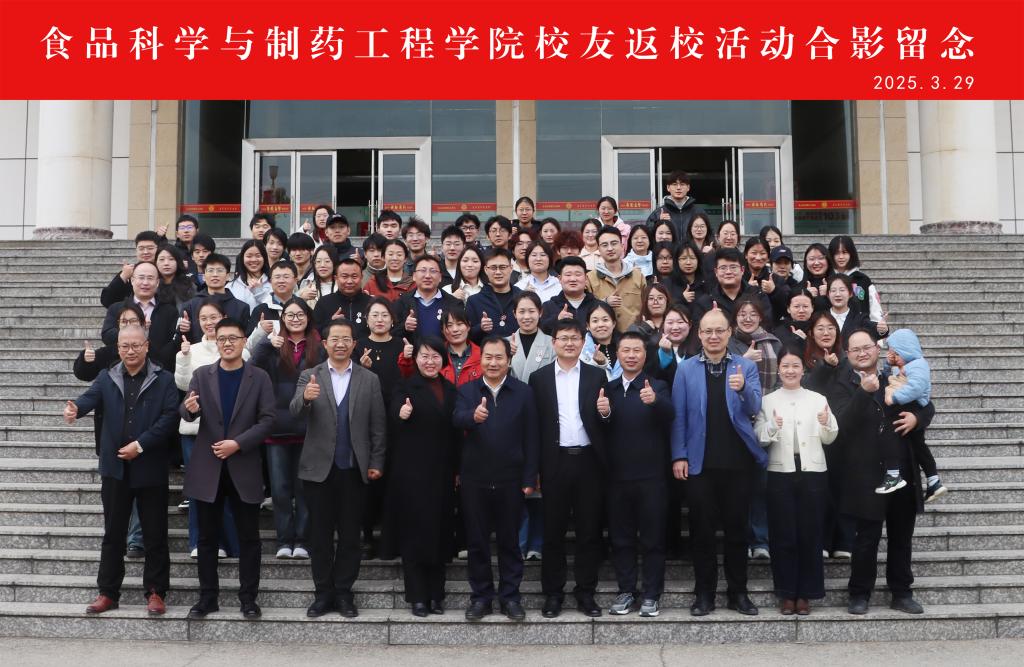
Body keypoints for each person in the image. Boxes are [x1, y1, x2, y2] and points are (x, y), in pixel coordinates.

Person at [65, 324, 178, 616]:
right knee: (113, 534)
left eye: (136, 345)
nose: (130, 350)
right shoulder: (107, 376)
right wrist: (76, 409)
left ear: (147, 346)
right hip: (115, 467)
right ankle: (108, 592)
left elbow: (169, 418)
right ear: (118, 348)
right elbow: (89, 398)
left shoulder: (163, 379)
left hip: (150, 466)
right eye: (125, 346)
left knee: (155, 534)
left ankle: (156, 592)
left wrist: (140, 446)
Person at [670, 309, 766, 617]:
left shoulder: (745, 366)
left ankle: (739, 593)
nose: (713, 336)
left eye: (719, 330)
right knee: (702, 532)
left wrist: (743, 389)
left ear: (729, 333)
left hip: (738, 463)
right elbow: (678, 415)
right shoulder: (686, 369)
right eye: (707, 331)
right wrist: (679, 455)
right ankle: (704, 594)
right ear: (699, 334)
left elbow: (755, 408)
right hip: (700, 464)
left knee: (737, 532)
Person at [289, 319, 386, 619]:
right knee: (319, 536)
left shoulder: (369, 379)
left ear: (354, 344)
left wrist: (376, 462)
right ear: (325, 343)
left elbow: (378, 426)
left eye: (346, 339)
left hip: (354, 469)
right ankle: (323, 593)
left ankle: (344, 592)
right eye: (335, 339)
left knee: (350, 536)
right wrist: (305, 399)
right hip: (318, 470)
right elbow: (293, 412)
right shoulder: (310, 375)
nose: (340, 344)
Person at [180, 317, 276, 619]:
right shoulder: (202, 374)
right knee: (207, 538)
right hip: (208, 467)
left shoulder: (259, 377)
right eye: (222, 338)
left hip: (243, 465)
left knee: (249, 538)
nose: (227, 343)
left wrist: (238, 443)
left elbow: (268, 420)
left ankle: (248, 599)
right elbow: (186, 409)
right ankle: (207, 598)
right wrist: (190, 409)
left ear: (244, 341)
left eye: (233, 338)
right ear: (215, 341)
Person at [838, 330, 935, 616]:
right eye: (855, 349)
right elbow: (840, 425)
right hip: (866, 473)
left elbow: (926, 402)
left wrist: (918, 418)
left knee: (901, 535)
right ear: (847, 354)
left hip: (902, 469)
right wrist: (862, 392)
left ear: (877, 348)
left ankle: (901, 591)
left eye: (866, 347)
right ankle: (859, 593)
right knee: (866, 537)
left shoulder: (895, 375)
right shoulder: (842, 383)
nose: (862, 353)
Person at [454, 336, 539, 621]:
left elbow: (532, 437)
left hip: (511, 479)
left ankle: (510, 597)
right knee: (477, 543)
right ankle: (481, 598)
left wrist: (529, 477)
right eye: (488, 357)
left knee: (509, 542)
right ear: (480, 360)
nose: (493, 363)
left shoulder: (523, 392)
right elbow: (455, 419)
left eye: (499, 357)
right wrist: (472, 417)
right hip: (474, 479)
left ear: (508, 360)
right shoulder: (467, 390)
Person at [527, 319, 608, 619]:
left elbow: (606, 421)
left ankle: (586, 592)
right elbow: (534, 427)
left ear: (583, 341)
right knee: (553, 531)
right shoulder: (539, 379)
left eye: (575, 338)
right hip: (554, 461)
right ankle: (553, 594)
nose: (569, 343)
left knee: (589, 531)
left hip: (589, 461)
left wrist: (606, 413)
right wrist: (534, 468)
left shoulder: (596, 375)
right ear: (554, 343)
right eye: (563, 338)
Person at [754, 348, 838, 615]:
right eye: (785, 366)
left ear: (803, 369)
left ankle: (807, 593)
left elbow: (830, 437)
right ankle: (786, 593)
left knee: (810, 533)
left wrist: (826, 422)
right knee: (783, 534)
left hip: (813, 471)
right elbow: (759, 436)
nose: (790, 370)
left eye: (795, 366)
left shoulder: (817, 398)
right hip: (780, 472)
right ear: (778, 370)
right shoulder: (767, 401)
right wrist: (772, 426)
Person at [382, 336, 459, 616]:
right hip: (412, 474)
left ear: (443, 359)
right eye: (424, 356)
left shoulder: (450, 389)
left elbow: (456, 433)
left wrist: (458, 469)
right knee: (414, 536)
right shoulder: (404, 386)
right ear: (415, 359)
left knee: (439, 534)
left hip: (442, 473)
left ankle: (436, 595)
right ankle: (417, 596)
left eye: (435, 356)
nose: (430, 361)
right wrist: (401, 413)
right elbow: (393, 413)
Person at [604, 331, 674, 618]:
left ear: (646, 355)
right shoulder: (607, 389)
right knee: (621, 539)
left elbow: (671, 415)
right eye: (626, 350)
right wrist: (603, 413)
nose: (631, 355)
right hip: (617, 477)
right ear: (618, 354)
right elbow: (600, 429)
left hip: (652, 477)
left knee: (653, 539)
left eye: (637, 350)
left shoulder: (658, 385)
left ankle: (652, 594)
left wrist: (656, 402)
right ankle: (626, 591)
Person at [251, 298, 324, 560]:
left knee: (303, 488)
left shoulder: (318, 346)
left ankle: (302, 539)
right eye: (290, 315)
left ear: (308, 317)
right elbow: (252, 370)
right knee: (280, 489)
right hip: (277, 426)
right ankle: (284, 539)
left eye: (300, 314)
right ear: (283, 319)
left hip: (309, 426)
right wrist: (265, 343)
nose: (295, 319)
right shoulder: (273, 344)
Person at [174, 299, 245, 559]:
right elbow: (183, 385)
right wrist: (184, 358)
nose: (208, 322)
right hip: (196, 431)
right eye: (203, 318)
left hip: (229, 434)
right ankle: (198, 542)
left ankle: (225, 543)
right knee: (198, 490)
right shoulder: (190, 349)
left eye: (213, 317)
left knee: (225, 489)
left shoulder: (237, 347)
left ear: (223, 317)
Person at [728, 297, 783, 561]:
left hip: (764, 419)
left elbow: (782, 378)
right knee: (737, 487)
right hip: (734, 420)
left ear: (761, 317)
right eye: (742, 313)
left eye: (752, 313)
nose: (747, 318)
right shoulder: (727, 343)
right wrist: (743, 360)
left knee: (761, 485)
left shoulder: (774, 343)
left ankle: (760, 540)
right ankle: (740, 538)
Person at [507, 292, 555, 562]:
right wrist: (507, 361)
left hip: (543, 418)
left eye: (531, 311)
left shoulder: (551, 343)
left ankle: (537, 541)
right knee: (517, 485)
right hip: (512, 422)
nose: (526, 316)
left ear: (540, 313)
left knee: (539, 484)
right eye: (521, 311)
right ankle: (519, 542)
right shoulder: (505, 344)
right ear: (514, 314)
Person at [880, 329, 946, 501]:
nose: (893, 357)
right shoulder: (908, 365)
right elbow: (890, 377)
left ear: (906, 350)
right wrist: (889, 365)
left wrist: (895, 398)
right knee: (919, 446)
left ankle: (893, 474)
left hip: (911, 406)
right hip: (911, 407)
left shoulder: (917, 365)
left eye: (896, 353)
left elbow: (915, 388)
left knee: (889, 434)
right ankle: (933, 481)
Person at [100, 262, 180, 371]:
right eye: (141, 278)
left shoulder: (170, 311)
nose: (145, 282)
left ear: (157, 283)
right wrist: (133, 329)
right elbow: (107, 335)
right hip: (122, 370)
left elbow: (172, 344)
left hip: (159, 371)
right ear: (132, 280)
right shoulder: (116, 308)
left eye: (150, 278)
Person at [690, 247, 773, 326]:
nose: (728, 272)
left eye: (733, 267)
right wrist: (710, 321)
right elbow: (698, 330)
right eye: (723, 268)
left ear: (742, 270)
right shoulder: (705, 302)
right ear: (716, 272)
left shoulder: (758, 296)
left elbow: (767, 325)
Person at [587, 226, 646, 333]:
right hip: (603, 337)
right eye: (604, 245)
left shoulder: (638, 276)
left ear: (622, 246)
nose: (610, 248)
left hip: (633, 336)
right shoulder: (590, 278)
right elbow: (586, 308)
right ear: (599, 249)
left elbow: (646, 307)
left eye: (614, 243)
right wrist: (604, 302)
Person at [181, 254, 251, 343]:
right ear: (203, 276)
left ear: (228, 276)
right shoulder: (190, 306)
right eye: (210, 270)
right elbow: (183, 340)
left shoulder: (241, 308)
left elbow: (244, 340)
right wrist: (182, 330)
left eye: (219, 270)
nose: (215, 275)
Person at [392, 255, 461, 342]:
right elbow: (390, 335)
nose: (428, 276)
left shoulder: (454, 304)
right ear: (414, 276)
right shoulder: (401, 302)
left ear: (440, 277)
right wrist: (405, 327)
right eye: (423, 270)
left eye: (433, 271)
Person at [467, 248, 522, 341]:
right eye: (493, 268)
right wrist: (480, 328)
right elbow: (467, 335)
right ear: (485, 270)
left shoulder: (522, 297)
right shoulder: (474, 301)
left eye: (502, 267)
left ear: (511, 268)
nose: (498, 272)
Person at [312, 256, 372, 339]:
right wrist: (331, 323)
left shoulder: (372, 303)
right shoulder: (324, 303)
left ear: (361, 277)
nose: (349, 281)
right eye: (344, 276)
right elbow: (314, 334)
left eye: (354, 276)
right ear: (336, 278)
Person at [100, 231, 163, 308]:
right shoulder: (129, 272)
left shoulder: (164, 271)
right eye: (141, 248)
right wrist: (123, 277)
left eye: (150, 248)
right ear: (136, 250)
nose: (145, 252)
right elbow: (106, 301)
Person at [829, 235, 883, 321]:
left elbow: (875, 309)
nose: (841, 257)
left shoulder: (863, 280)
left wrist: (879, 324)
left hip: (859, 327)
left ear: (851, 254)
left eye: (844, 252)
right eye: (837, 253)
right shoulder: (827, 279)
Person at [540, 256, 597, 335]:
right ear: (560, 279)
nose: (573, 279)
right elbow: (540, 331)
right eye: (568, 275)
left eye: (578, 274)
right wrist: (557, 320)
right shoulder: (548, 306)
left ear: (586, 278)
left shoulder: (597, 306)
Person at [827, 274, 889, 345]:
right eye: (833, 290)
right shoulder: (822, 317)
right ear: (828, 294)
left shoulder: (859, 319)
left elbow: (876, 330)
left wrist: (882, 329)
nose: (838, 294)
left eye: (842, 290)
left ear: (850, 293)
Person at [646, 170, 706, 240]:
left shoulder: (698, 212)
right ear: (668, 188)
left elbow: (709, 233)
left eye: (682, 184)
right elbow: (647, 235)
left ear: (688, 187)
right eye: (674, 184)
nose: (678, 188)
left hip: (691, 247)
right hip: (668, 247)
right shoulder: (659, 212)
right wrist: (658, 222)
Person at [581, 301, 622, 381]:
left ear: (614, 323)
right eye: (595, 321)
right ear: (588, 326)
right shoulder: (581, 350)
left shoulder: (626, 346)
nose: (600, 325)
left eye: (605, 320)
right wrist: (596, 364)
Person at [228, 239, 271, 310]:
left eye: (258, 256)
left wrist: (259, 292)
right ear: (242, 258)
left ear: (264, 258)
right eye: (249, 256)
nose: (253, 260)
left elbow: (277, 306)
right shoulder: (231, 286)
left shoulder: (274, 283)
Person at [154, 245, 196, 310]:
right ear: (156, 262)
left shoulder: (189, 286)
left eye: (171, 259)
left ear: (178, 262)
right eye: (162, 259)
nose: (166, 263)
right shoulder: (151, 285)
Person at [799, 243, 833, 312]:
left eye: (821, 258)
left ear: (828, 260)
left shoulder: (839, 283)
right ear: (806, 262)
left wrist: (831, 293)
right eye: (812, 259)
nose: (816, 263)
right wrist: (806, 297)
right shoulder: (798, 287)